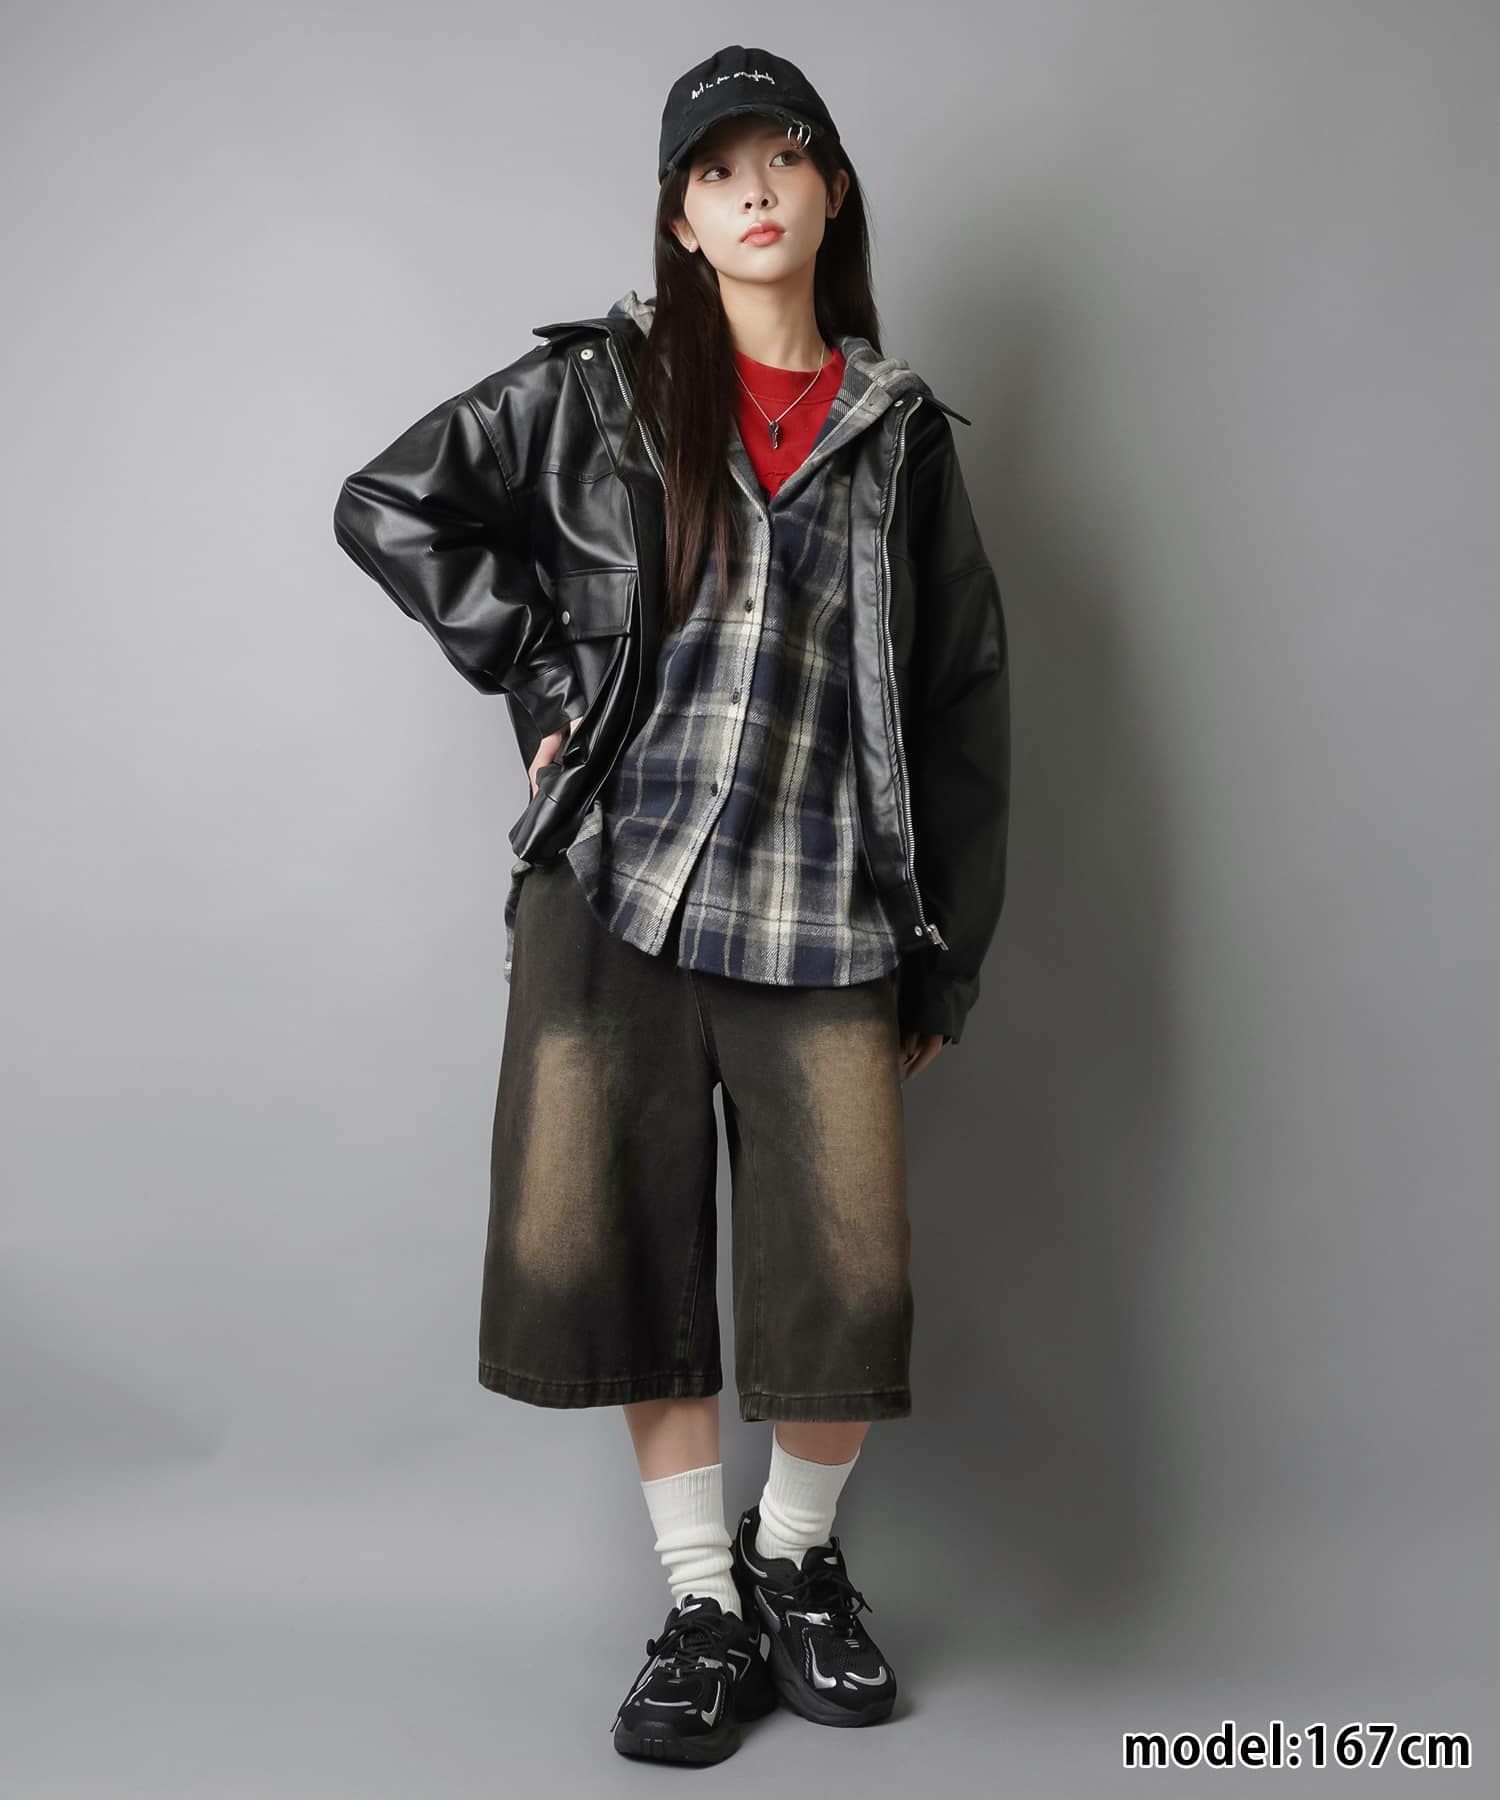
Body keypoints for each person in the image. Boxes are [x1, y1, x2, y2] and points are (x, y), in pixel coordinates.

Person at [332, 43, 1010, 1768]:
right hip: (613, 890)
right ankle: (705, 1603)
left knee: (849, 1281)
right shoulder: (602, 391)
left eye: (783, 157)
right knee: (620, 1246)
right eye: (717, 171)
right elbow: (392, 500)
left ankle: (794, 1563)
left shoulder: (900, 439)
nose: (754, 190)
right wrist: (546, 674)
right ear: (682, 219)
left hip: (824, 903)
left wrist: (944, 953)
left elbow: (961, 703)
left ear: (832, 189)